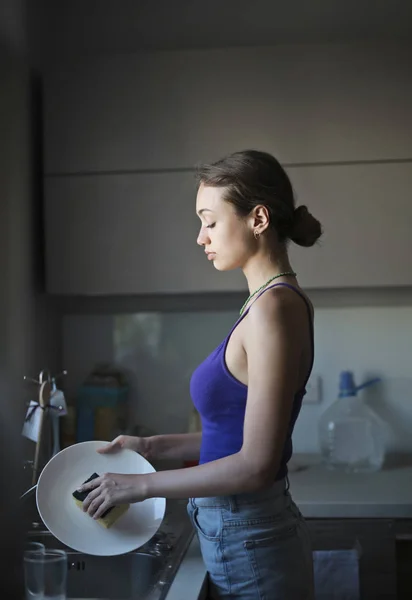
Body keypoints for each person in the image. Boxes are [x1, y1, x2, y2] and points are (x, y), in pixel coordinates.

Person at [79, 149, 322, 599]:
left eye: (209, 221)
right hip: (240, 530)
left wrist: (139, 486)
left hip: (250, 535)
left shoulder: (274, 308)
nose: (200, 237)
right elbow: (233, 435)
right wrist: (151, 447)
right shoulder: (268, 303)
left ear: (259, 219)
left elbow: (255, 466)